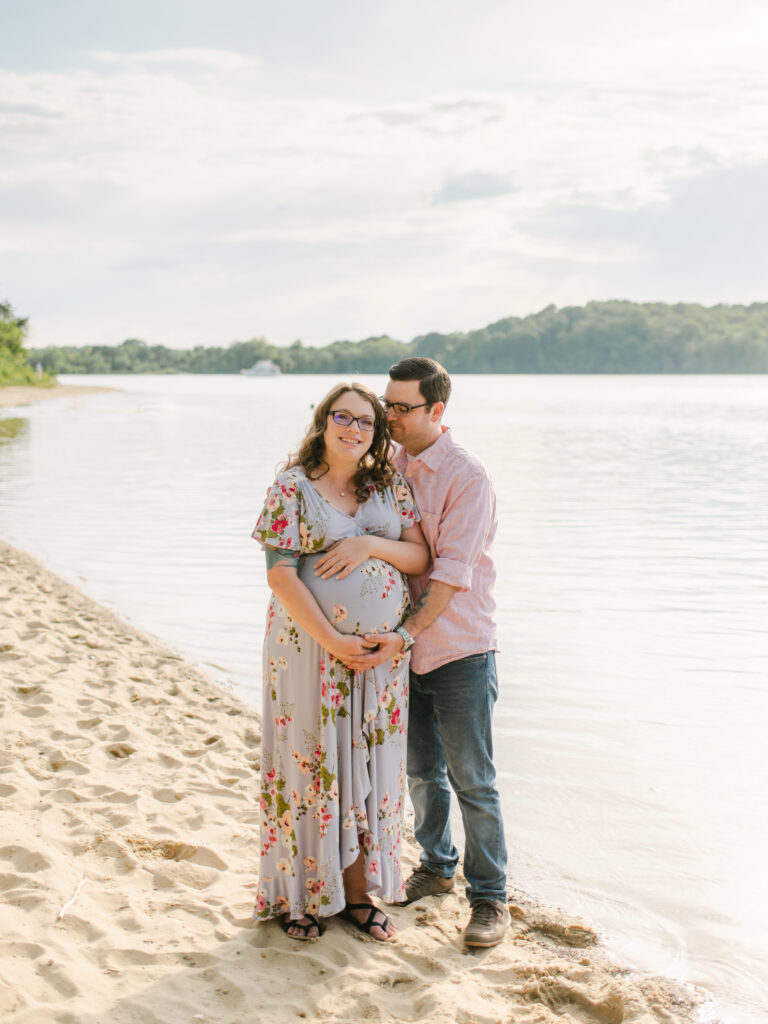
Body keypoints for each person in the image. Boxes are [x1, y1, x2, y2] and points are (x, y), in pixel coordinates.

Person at [336, 357, 509, 948]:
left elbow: (449, 576)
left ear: (438, 411)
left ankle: (490, 898)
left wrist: (403, 635)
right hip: (396, 652)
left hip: (458, 648)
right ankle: (436, 867)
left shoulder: (467, 476)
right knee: (419, 772)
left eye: (401, 407)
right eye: (387, 403)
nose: (389, 416)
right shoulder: (389, 463)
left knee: (474, 781)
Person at [251, 382, 428, 942]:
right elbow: (280, 574)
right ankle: (299, 896)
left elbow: (420, 554)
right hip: (310, 653)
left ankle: (355, 897)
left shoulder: (388, 484)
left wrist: (369, 546)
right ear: (323, 422)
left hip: (379, 662)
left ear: (376, 433)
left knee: (368, 772)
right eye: (342, 417)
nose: (354, 429)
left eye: (366, 422)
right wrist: (331, 639)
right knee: (310, 766)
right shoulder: (292, 488)